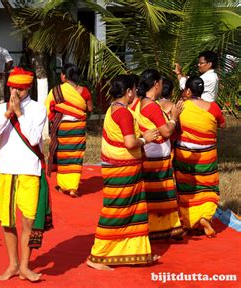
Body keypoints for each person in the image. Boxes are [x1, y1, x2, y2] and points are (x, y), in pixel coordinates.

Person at [87, 74, 160, 271]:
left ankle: (132, 252)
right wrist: (145, 139)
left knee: (131, 212)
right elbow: (130, 143)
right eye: (135, 90)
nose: (136, 93)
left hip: (121, 167)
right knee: (116, 211)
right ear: (128, 92)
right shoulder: (124, 113)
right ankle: (98, 255)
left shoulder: (114, 109)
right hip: (122, 169)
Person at [0, 67, 53, 282]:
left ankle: (25, 266)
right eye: (13, 87)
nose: (16, 92)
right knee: (7, 221)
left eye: (20, 88)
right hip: (7, 169)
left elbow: (35, 139)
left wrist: (19, 114)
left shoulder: (37, 109)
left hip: (30, 170)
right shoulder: (1, 108)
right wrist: (7, 113)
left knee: (28, 220)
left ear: (28, 88)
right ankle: (13, 264)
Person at [134, 69, 184, 240]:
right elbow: (167, 132)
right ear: (156, 84)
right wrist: (174, 118)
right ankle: (161, 229)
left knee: (157, 194)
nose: (162, 86)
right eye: (161, 82)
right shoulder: (152, 107)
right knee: (161, 195)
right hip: (155, 155)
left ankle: (160, 228)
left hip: (152, 153)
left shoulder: (144, 103)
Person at [173, 76, 225, 238]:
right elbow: (222, 124)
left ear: (188, 90)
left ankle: (190, 220)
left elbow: (174, 125)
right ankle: (204, 217)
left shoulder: (181, 106)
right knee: (208, 188)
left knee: (186, 188)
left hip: (185, 156)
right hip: (207, 157)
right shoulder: (213, 107)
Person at [45, 63, 93, 197]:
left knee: (63, 157)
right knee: (76, 157)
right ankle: (73, 187)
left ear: (64, 76)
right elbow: (89, 109)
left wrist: (55, 117)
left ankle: (63, 185)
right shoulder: (84, 91)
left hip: (63, 128)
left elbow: (48, 107)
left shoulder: (57, 91)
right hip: (78, 128)